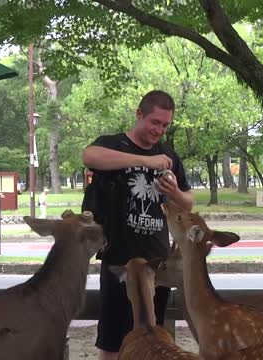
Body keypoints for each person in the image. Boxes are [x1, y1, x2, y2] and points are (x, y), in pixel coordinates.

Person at [82, 90, 194, 360]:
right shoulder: (114, 144)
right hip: (119, 260)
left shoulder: (169, 155)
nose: (159, 130)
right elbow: (89, 156)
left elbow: (188, 204)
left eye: (165, 125)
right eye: (155, 122)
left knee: (152, 340)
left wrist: (175, 192)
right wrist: (145, 161)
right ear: (139, 114)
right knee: (112, 341)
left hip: (157, 264)